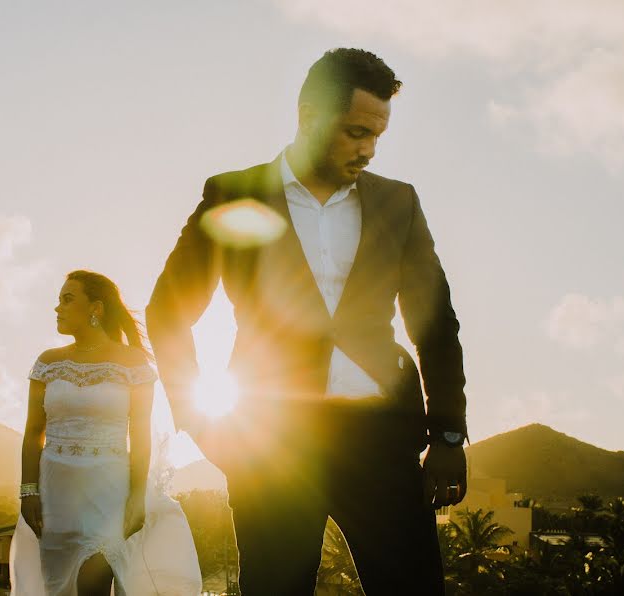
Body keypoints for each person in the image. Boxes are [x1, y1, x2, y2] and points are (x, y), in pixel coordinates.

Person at [147, 48, 469, 595]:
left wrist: (448, 435)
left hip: (382, 440)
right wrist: (199, 423)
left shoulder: (399, 203)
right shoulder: (232, 194)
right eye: (355, 133)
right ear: (307, 116)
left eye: (377, 136)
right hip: (274, 442)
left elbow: (434, 322)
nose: (368, 150)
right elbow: (168, 312)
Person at [9, 270, 201, 596]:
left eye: (68, 299)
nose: (58, 308)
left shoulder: (132, 362)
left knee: (94, 582)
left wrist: (137, 497)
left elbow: (140, 437)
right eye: (58, 300)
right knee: (58, 588)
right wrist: (28, 491)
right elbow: (32, 434)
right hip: (56, 492)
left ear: (95, 308)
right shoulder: (47, 363)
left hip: (109, 491)